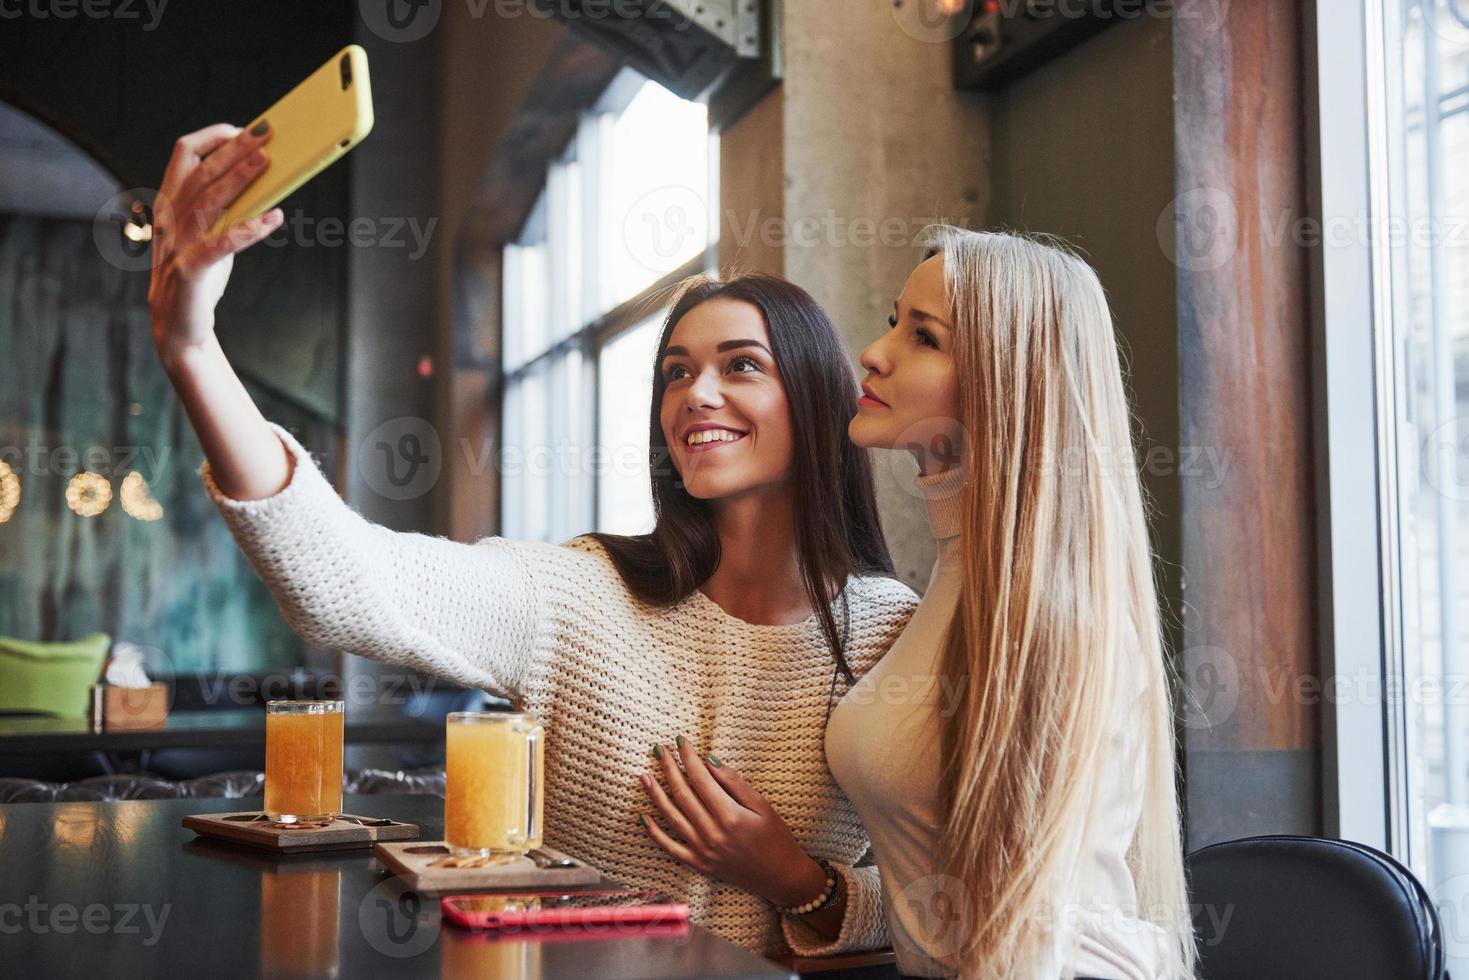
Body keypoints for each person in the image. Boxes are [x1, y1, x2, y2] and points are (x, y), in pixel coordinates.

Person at [147, 121, 917, 955]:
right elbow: (342, 577)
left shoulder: (888, 630)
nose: (695, 394)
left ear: (812, 396)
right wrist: (191, 346)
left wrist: (793, 879)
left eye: (740, 366)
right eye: (675, 372)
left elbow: (944, 897)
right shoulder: (580, 594)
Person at [650, 226, 1200, 979]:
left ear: (1004, 376)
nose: (873, 354)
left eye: (923, 337)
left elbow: (1030, 937)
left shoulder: (1045, 611)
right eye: (890, 324)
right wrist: (794, 881)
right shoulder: (954, 582)